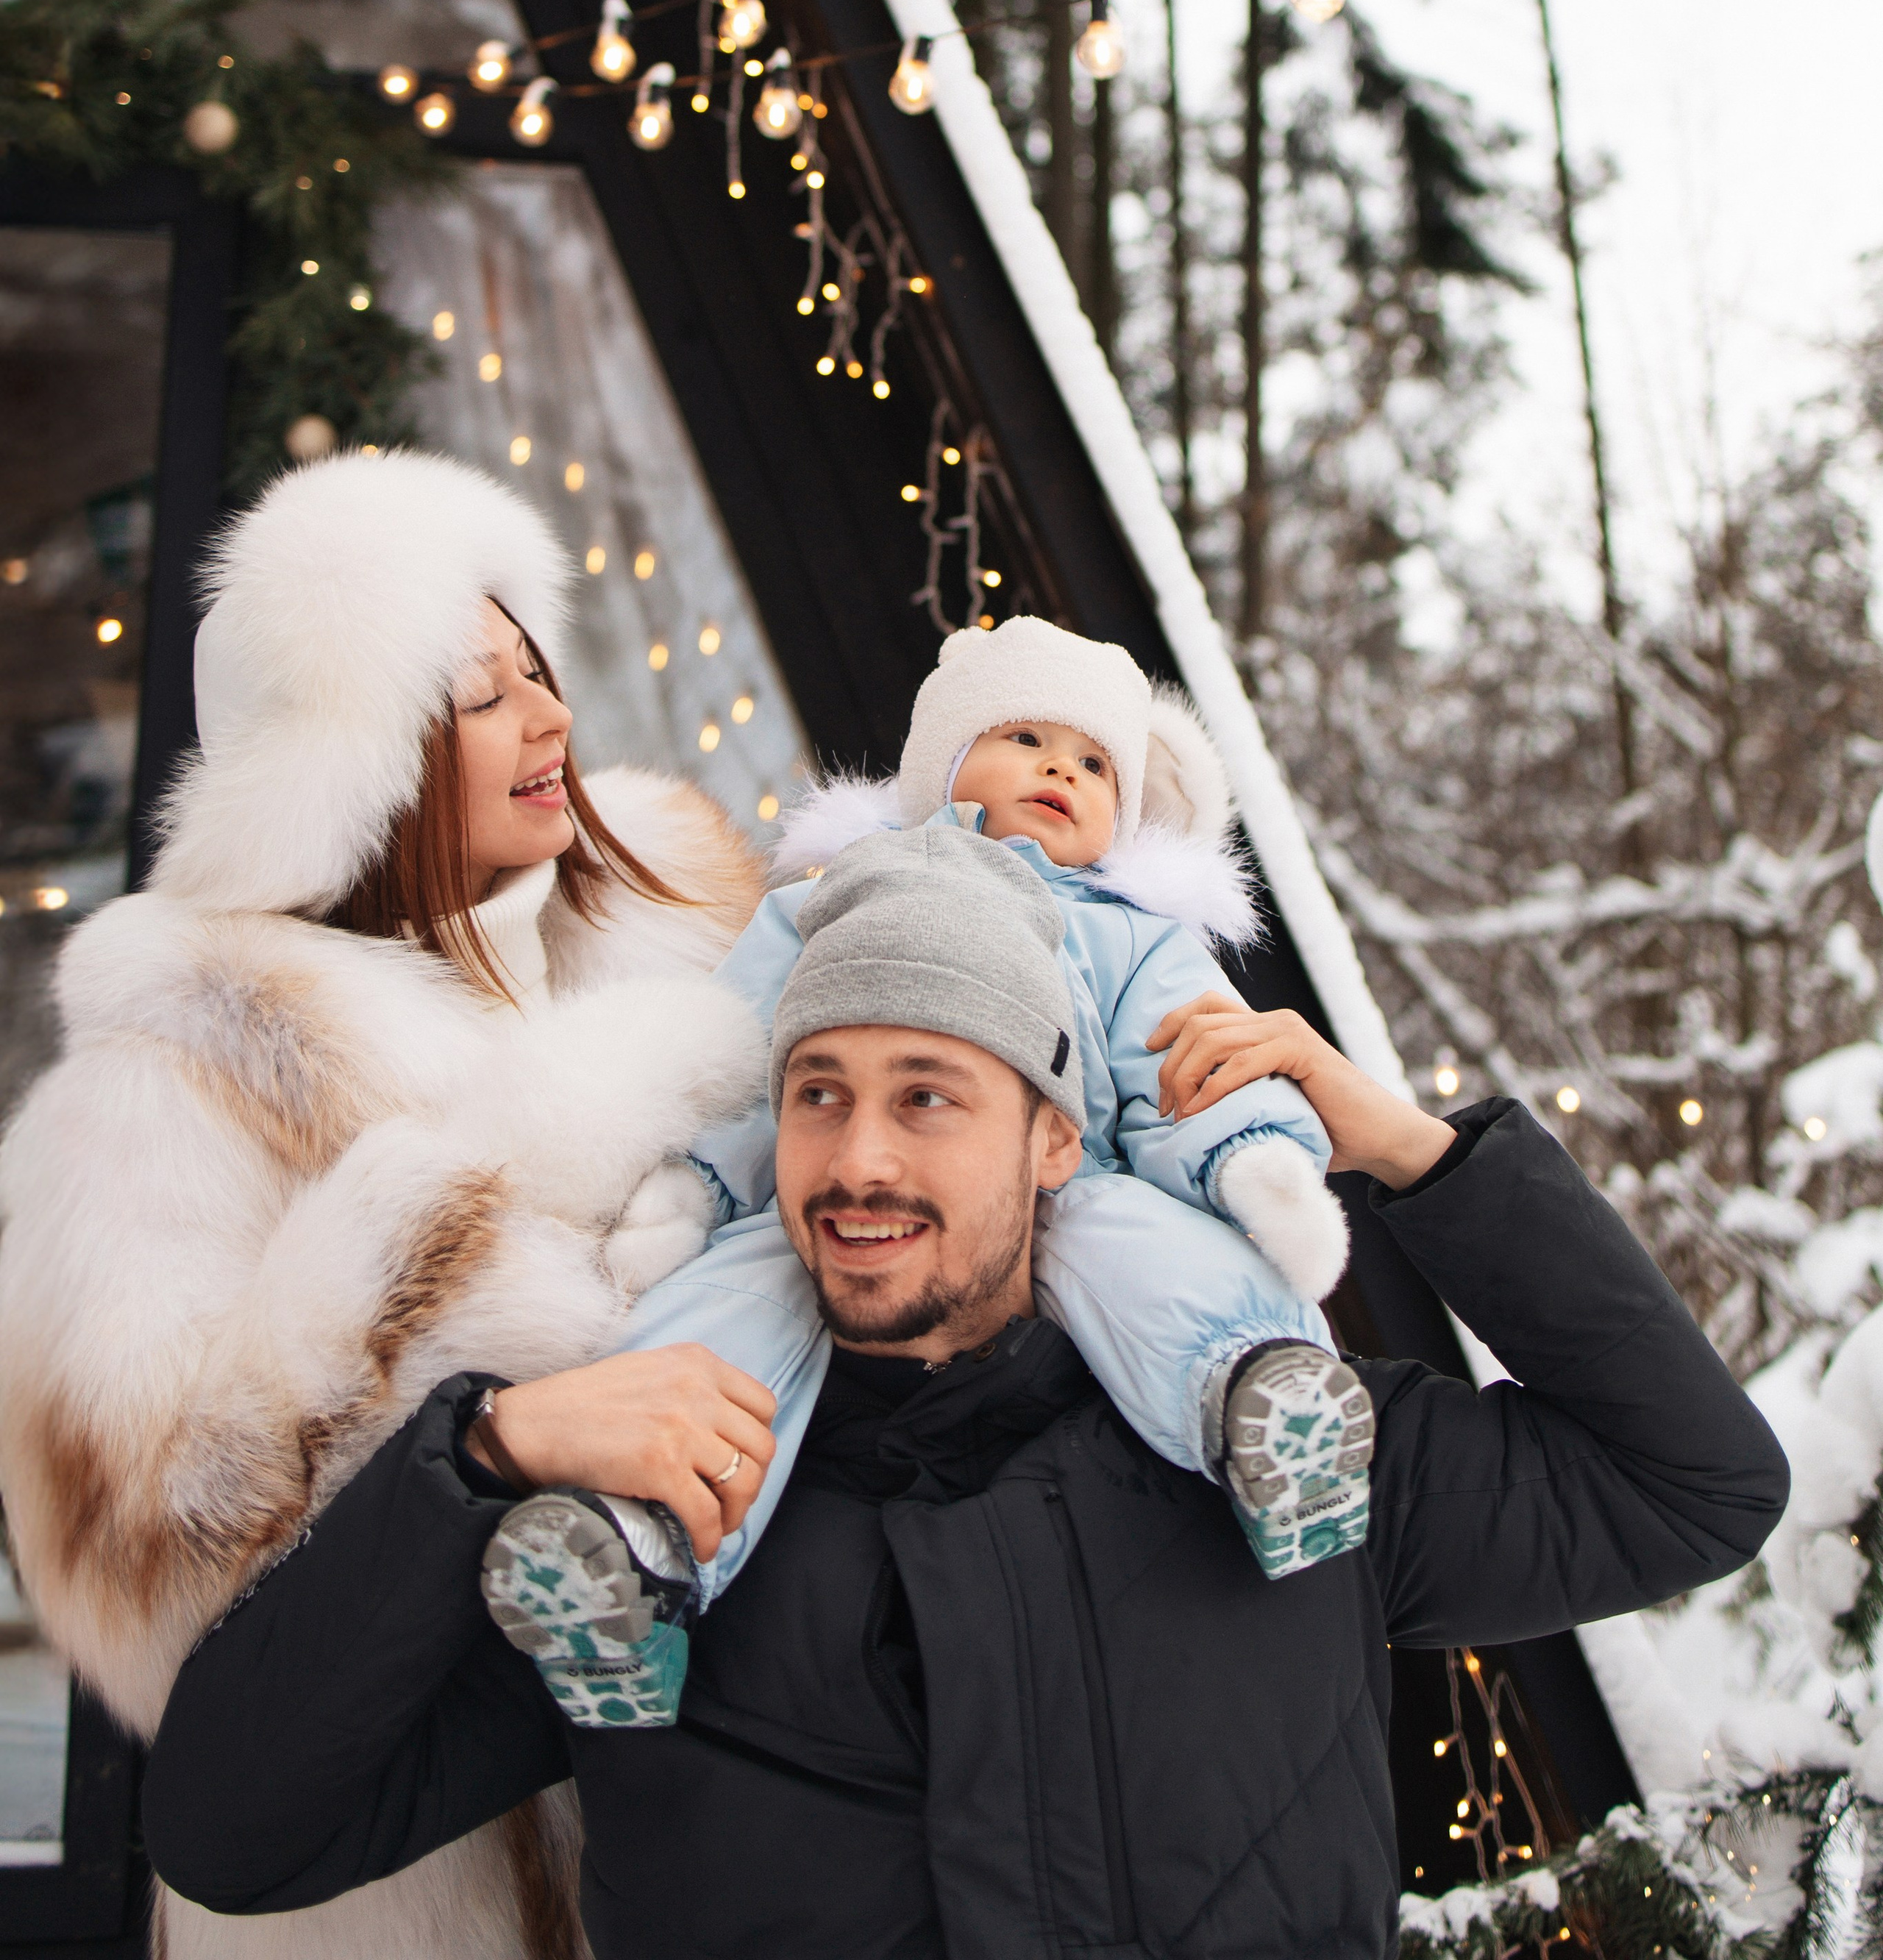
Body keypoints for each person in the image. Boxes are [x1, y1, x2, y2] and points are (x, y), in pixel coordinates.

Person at [142, 826, 1790, 1960]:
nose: (857, 1160)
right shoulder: (652, 1521)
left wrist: (1408, 1150)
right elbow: (234, 1828)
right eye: (817, 1096)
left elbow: (1692, 1486)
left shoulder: (1284, 1454)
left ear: (1055, 1139)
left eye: (927, 1094)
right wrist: (480, 1459)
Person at [0, 447, 767, 1960]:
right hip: (386, 1899)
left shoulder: (697, 954)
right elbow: (139, 1569)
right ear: (351, 752)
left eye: (537, 671)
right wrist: (456, 1363)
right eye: (482, 695)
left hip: (699, 1856)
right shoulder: (164, 1088)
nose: (548, 716)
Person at [539, 613, 1371, 1691]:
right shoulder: (838, 893)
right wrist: (697, 1183)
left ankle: (1257, 1400)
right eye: (1028, 738)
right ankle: (637, 1534)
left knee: (1149, 1250)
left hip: (1076, 1178)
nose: (1061, 771)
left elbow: (1189, 1055)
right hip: (833, 1216)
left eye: (1091, 762)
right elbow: (753, 1059)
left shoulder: (1128, 932)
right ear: (946, 755)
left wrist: (1242, 1149)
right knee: (738, 1297)